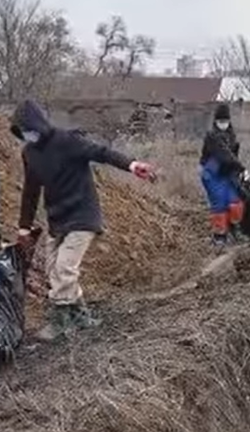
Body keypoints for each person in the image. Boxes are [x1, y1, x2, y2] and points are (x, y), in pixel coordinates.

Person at [9, 99, 156, 338]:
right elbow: (31, 191)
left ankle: (60, 320)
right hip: (57, 217)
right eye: (23, 132)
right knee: (52, 269)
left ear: (39, 124)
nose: (28, 135)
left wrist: (131, 164)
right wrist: (24, 227)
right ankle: (80, 315)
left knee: (65, 267)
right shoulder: (30, 153)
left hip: (83, 213)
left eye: (30, 129)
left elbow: (102, 153)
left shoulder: (67, 141)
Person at [199, 104, 246, 246]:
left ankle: (234, 228)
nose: (223, 124)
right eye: (220, 121)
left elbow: (233, 156)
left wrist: (238, 172)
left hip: (227, 173)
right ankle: (219, 235)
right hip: (212, 174)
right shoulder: (212, 137)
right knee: (219, 203)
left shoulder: (232, 136)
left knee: (235, 201)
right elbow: (224, 155)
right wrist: (242, 168)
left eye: (225, 121)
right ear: (215, 122)